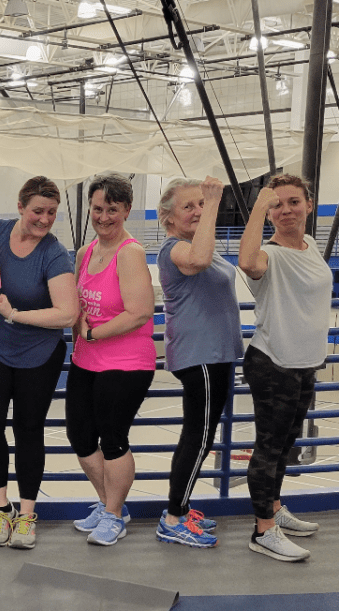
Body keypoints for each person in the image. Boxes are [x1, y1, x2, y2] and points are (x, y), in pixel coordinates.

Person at [0, 176, 78, 550]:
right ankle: (1, 509)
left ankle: (26, 515)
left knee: (28, 429)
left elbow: (68, 314)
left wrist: (16, 315)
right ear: (21, 207)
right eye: (38, 211)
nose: (44, 219)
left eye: (52, 213)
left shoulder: (54, 254)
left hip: (37, 355)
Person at [238, 174, 330, 562]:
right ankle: (262, 531)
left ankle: (275, 508)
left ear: (309, 204)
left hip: (304, 363)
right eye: (278, 205)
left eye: (294, 202)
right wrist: (260, 204)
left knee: (286, 446)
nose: (286, 210)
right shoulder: (268, 255)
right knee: (269, 448)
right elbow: (245, 261)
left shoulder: (310, 246)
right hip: (273, 363)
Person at [66, 173, 155, 546]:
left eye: (112, 210)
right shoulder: (86, 252)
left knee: (113, 438)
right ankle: (109, 504)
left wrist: (91, 332)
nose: (103, 217)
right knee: (80, 435)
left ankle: (114, 514)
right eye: (98, 209)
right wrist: (77, 321)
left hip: (125, 362)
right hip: (86, 359)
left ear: (127, 211)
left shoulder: (130, 253)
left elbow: (139, 312)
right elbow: (76, 301)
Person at [153, 176, 242, 548]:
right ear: (168, 217)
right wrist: (215, 201)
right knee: (198, 436)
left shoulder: (200, 244)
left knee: (201, 437)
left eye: (201, 205)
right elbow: (199, 260)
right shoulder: (173, 249)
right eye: (189, 206)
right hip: (200, 357)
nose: (198, 211)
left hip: (217, 355)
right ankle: (173, 517)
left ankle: (182, 507)